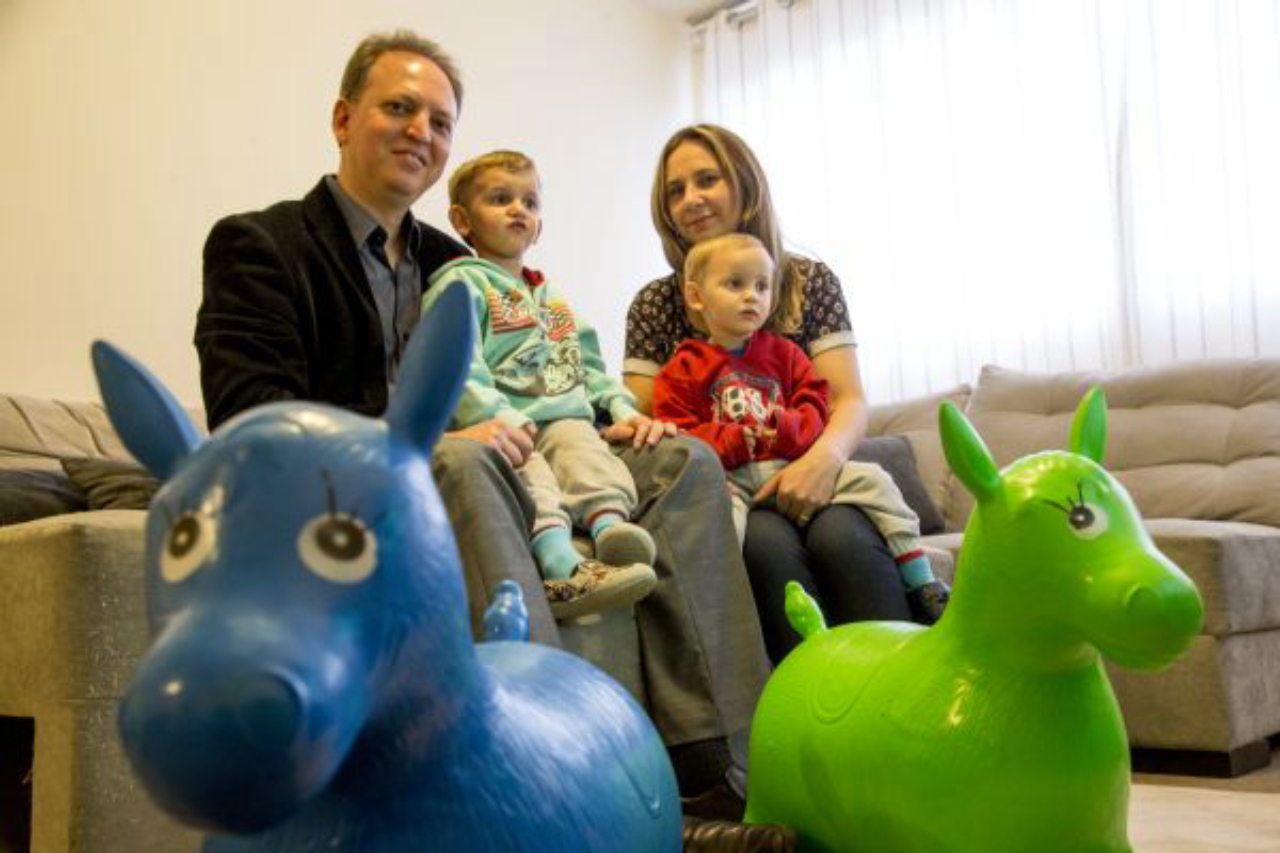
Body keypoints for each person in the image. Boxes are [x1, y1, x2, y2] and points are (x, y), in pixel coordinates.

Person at [194, 32, 769, 822]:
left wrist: (613, 417)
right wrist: (418, 440)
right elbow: (248, 416)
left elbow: (545, 364)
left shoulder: (460, 259)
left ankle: (715, 771)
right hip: (369, 490)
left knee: (685, 460)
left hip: (509, 447)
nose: (420, 132)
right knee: (464, 467)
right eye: (399, 108)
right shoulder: (261, 245)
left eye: (439, 120)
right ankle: (547, 785)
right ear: (342, 117)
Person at [624, 123, 946, 664]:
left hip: (815, 463)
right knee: (766, 545)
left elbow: (846, 398)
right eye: (675, 191)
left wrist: (821, 462)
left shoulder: (807, 281)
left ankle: (906, 689)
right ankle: (806, 714)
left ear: (745, 185)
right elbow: (648, 418)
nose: (691, 200)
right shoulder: (657, 303)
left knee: (843, 537)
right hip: (733, 482)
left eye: (707, 180)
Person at [653, 233, 948, 626]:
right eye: (735, 284)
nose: (751, 297)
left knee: (875, 480)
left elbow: (815, 407)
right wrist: (732, 439)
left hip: (798, 468)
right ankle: (714, 615)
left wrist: (785, 427)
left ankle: (922, 582)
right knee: (718, 529)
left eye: (762, 286)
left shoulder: (786, 354)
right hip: (736, 482)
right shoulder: (683, 368)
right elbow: (679, 434)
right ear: (695, 296)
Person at [425, 150, 670, 619]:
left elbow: (590, 366)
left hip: (566, 416)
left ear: (539, 224)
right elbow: (460, 362)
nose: (519, 210)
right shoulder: (461, 285)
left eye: (530, 203)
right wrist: (496, 418)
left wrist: (621, 409)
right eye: (501, 199)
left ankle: (610, 530)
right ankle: (560, 561)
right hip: (508, 422)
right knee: (530, 470)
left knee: (585, 450)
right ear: (462, 220)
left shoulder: (553, 299)